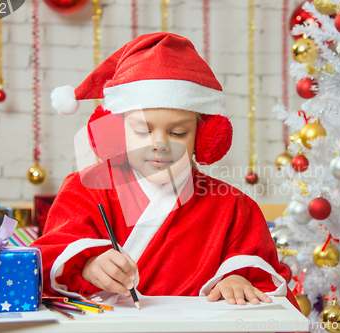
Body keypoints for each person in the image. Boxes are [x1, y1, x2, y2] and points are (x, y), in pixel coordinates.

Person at [31, 32, 300, 309]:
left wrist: (237, 281)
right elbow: (45, 264)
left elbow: (267, 284)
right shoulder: (84, 189)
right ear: (115, 131)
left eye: (178, 132)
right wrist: (88, 266)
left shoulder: (234, 207)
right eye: (141, 130)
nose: (159, 145)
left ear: (204, 137)